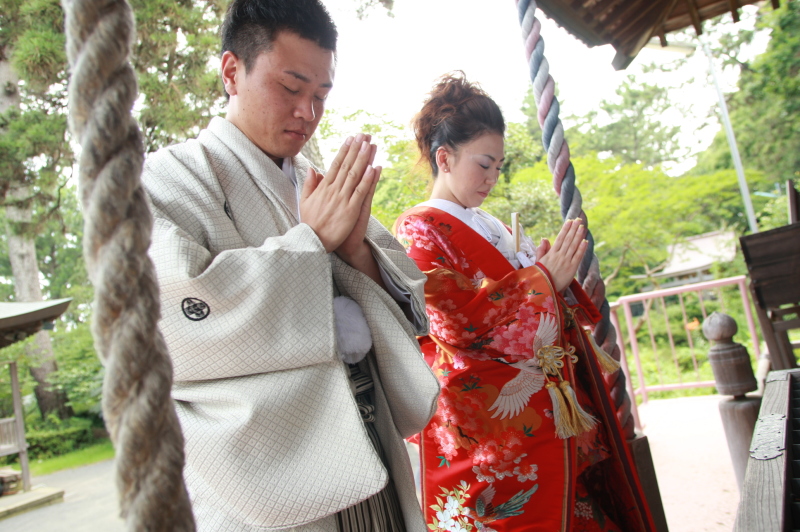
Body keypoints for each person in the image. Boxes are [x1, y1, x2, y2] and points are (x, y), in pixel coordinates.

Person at [140, 1, 439, 530]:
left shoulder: (315, 181)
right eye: (291, 87)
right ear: (232, 71)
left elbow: (407, 303)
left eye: (321, 95)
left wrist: (354, 252)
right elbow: (176, 319)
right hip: (267, 472)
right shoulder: (166, 181)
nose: (308, 112)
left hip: (370, 440)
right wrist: (311, 242)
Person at [394, 74, 655, 531]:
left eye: (499, 166)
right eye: (485, 164)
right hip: (488, 419)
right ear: (444, 157)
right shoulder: (419, 230)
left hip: (543, 404)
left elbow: (536, 293)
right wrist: (543, 280)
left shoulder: (488, 224)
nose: (493, 178)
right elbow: (454, 324)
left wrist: (556, 280)